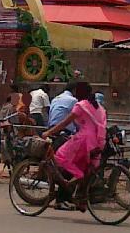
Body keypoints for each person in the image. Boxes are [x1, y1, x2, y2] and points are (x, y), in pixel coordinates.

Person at [42, 83, 107, 211]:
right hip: (96, 142)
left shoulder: (81, 106)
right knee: (82, 166)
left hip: (83, 140)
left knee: (61, 157)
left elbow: (65, 122)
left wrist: (49, 132)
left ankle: (72, 185)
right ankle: (79, 197)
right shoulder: (98, 107)